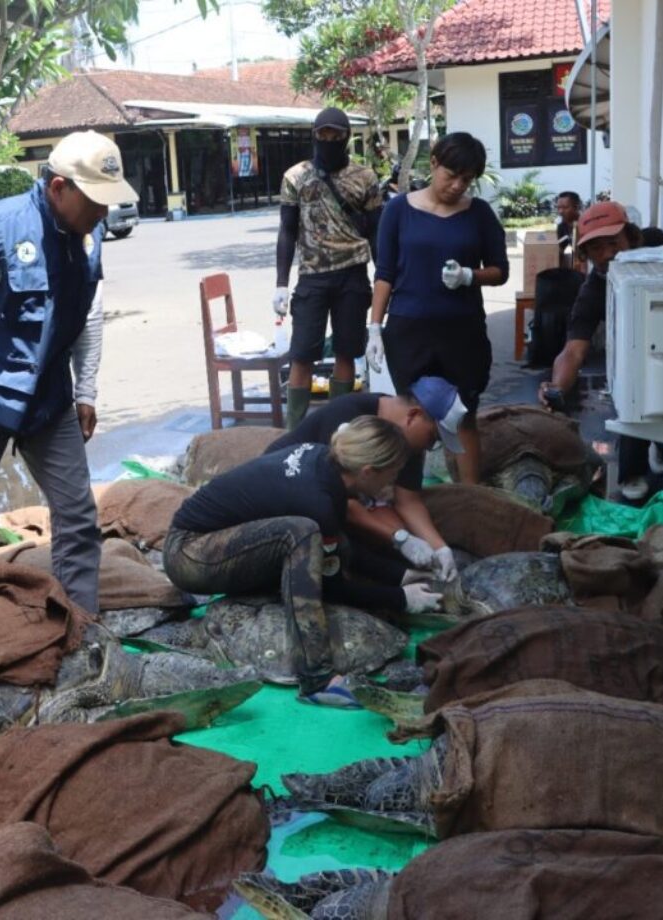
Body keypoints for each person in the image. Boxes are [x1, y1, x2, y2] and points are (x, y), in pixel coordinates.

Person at [0, 131, 135, 611]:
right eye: (95, 200)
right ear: (59, 188)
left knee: (79, 518)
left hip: (49, 401)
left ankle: (81, 626)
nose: (103, 212)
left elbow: (89, 313)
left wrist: (87, 393)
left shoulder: (90, 235)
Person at [163, 416, 442, 698]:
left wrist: (401, 576)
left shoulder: (322, 459)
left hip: (214, 543)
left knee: (321, 535)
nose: (392, 484)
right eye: (392, 475)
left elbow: (339, 543)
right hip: (190, 554)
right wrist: (402, 599)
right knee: (303, 533)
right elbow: (331, 588)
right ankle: (317, 680)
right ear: (368, 471)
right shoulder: (316, 499)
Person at [365, 132, 509, 485]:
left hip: (462, 332)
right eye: (451, 175)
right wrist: (373, 328)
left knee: (463, 415)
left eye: (467, 179)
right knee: (409, 417)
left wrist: (468, 276)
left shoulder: (479, 214)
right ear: (433, 164)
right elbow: (384, 273)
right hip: (408, 330)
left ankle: (471, 498)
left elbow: (500, 270)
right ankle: (406, 492)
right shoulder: (398, 209)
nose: (458, 185)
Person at [266, 376, 467, 582]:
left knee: (401, 553)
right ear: (413, 416)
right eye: (432, 438)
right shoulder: (347, 415)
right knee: (348, 553)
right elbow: (343, 502)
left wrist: (439, 548)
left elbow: (408, 500)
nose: (428, 446)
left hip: (345, 496)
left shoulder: (409, 440)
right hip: (293, 492)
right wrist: (400, 538)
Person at [537, 201, 656, 501]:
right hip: (636, 351)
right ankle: (632, 472)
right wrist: (556, 388)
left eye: (614, 243)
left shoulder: (660, 245)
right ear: (586, 255)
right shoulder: (591, 293)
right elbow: (573, 351)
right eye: (596, 249)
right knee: (632, 391)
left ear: (631, 236)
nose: (608, 254)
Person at [273, 107, 382, 428]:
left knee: (347, 353)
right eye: (324, 134)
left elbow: (376, 231)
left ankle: (340, 429)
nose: (330, 141)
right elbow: (287, 229)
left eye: (337, 135)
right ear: (314, 135)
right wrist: (281, 282)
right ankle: (295, 429)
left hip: (352, 274)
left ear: (347, 137)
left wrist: (385, 276)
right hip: (312, 277)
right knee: (302, 354)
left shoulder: (365, 178)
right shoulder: (295, 176)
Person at [554, 190, 582, 259]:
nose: (560, 211)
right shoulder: (561, 227)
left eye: (565, 207)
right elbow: (560, 250)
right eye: (559, 208)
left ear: (576, 207)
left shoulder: (586, 225)